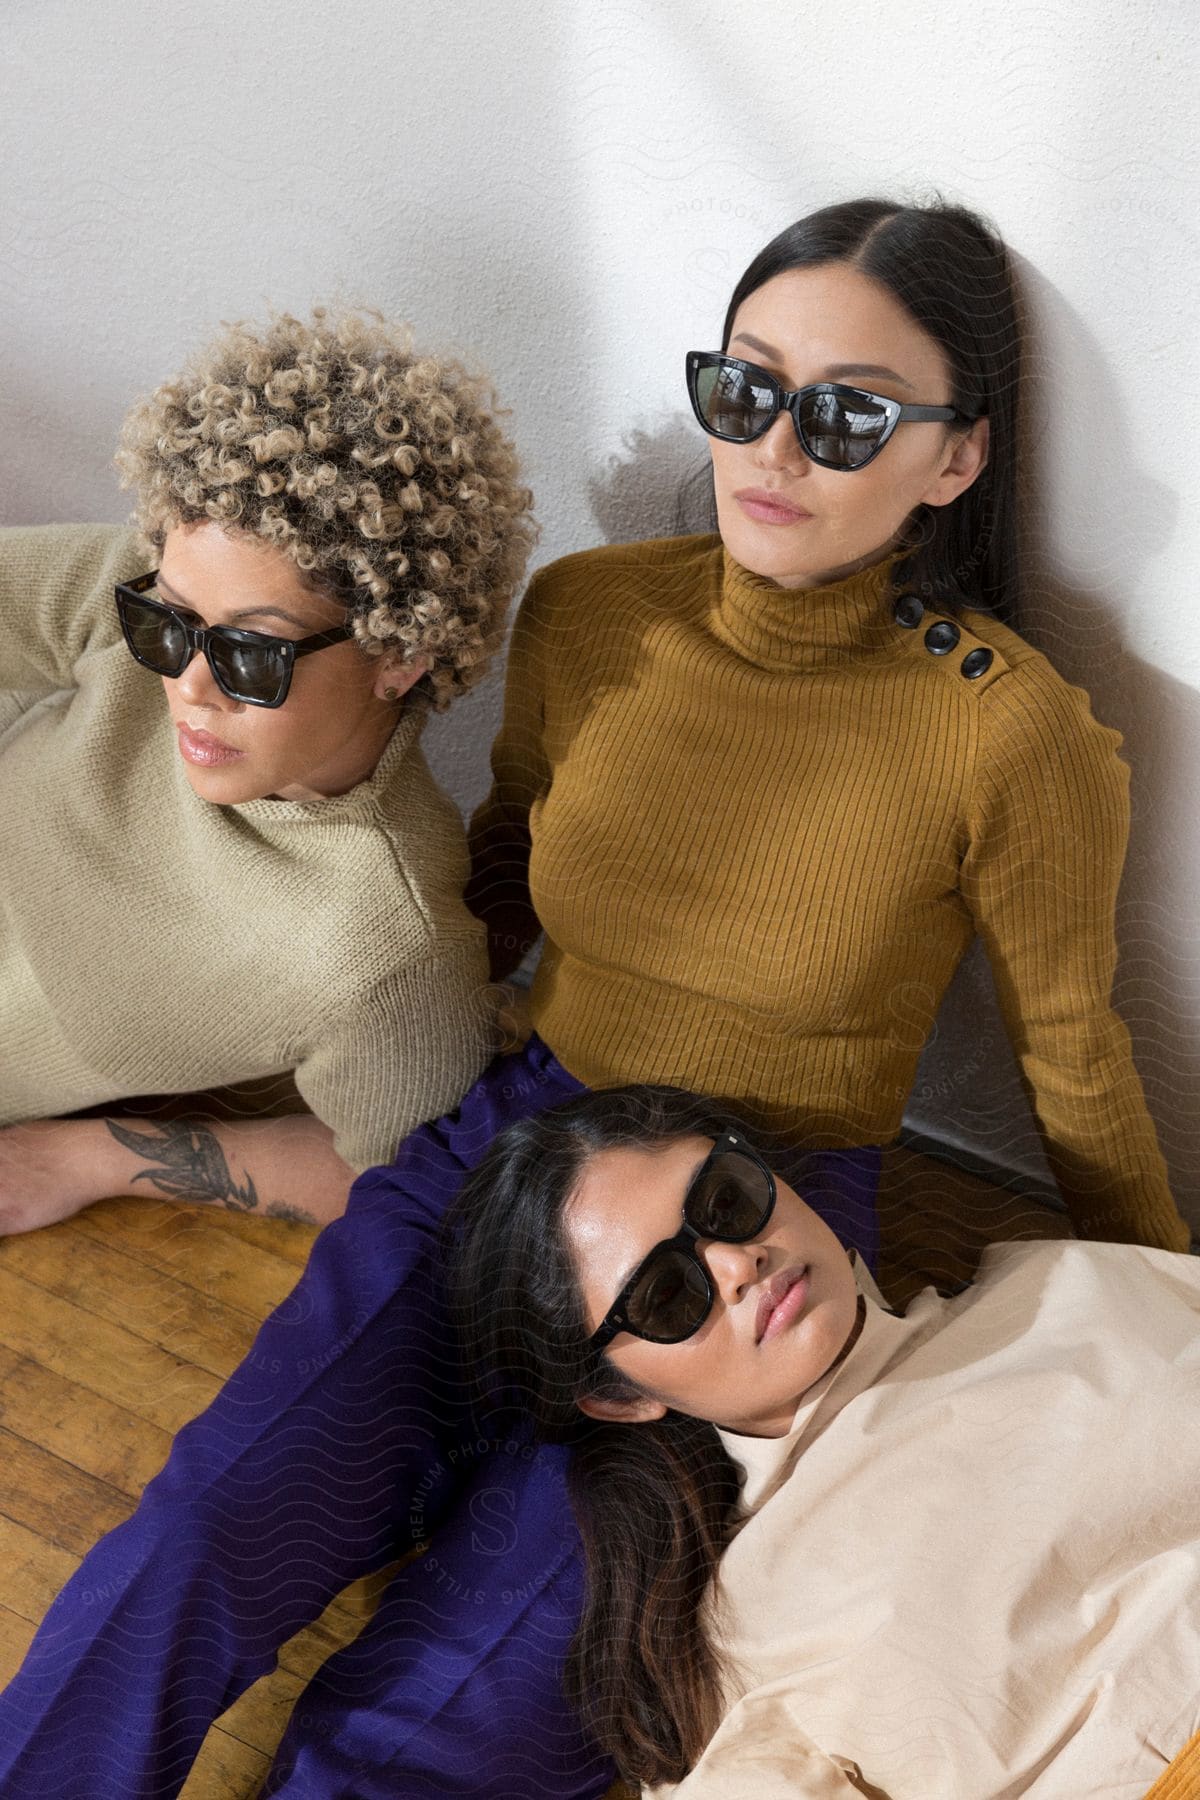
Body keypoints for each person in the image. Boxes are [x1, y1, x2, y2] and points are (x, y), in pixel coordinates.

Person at [0, 198, 1188, 1795]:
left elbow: (1074, 1054)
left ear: (955, 458)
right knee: (204, 1535)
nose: (775, 449)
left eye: (846, 415)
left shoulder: (1010, 732)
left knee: (446, 1715)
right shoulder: (594, 608)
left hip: (748, 1228)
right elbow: (504, 862)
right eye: (746, 388)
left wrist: (1172, 1309)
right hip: (514, 1140)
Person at [447, 1082, 1200, 1799]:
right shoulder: (741, 1635)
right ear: (622, 1398)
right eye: (667, 1294)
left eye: (726, 1201)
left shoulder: (1067, 1281)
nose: (740, 1264)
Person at [0, 307, 536, 1232]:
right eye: (167, 622)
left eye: (253, 652)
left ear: (399, 653)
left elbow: (397, 1175)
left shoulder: (384, 946)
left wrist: (83, 1159)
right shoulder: (153, 600)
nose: (188, 684)